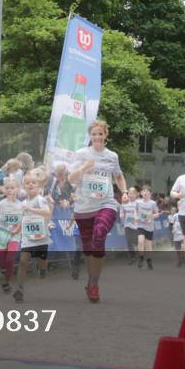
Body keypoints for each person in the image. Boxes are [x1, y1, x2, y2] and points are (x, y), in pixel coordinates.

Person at [68, 120, 127, 303]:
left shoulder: (112, 156)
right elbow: (71, 178)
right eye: (94, 134)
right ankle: (90, 279)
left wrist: (124, 192)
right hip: (84, 206)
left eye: (100, 133)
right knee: (88, 247)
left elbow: (118, 176)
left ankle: (94, 283)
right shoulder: (82, 154)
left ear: (105, 135)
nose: (97, 137)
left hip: (106, 202)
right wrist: (85, 167)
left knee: (99, 234)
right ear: (90, 136)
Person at [14, 168, 52, 303]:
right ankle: (19, 289)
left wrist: (30, 209)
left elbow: (47, 212)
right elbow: (21, 219)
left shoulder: (40, 200)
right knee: (23, 261)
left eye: (33, 183)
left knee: (42, 262)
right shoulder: (23, 203)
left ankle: (43, 269)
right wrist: (16, 229)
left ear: (39, 186)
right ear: (24, 186)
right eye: (27, 183)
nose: (30, 185)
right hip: (27, 238)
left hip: (41, 237)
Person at [0, 177, 23, 294]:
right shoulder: (0, 204)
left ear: (18, 189)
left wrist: (18, 228)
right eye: (7, 188)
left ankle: (6, 282)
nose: (10, 190)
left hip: (15, 235)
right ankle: (5, 272)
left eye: (12, 188)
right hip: (2, 233)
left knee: (10, 259)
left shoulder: (21, 205)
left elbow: (23, 220)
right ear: (4, 190)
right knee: (2, 261)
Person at [136, 186, 160, 270]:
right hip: (141, 225)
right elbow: (135, 211)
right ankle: (141, 258)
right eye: (143, 191)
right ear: (141, 193)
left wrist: (151, 215)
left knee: (148, 246)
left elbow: (157, 213)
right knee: (140, 241)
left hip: (149, 226)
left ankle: (149, 260)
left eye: (147, 191)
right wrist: (136, 217)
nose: (145, 193)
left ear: (150, 194)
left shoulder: (152, 203)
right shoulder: (138, 202)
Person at [121, 189, 139, 264]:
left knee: (136, 241)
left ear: (136, 195)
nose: (131, 195)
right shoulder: (124, 204)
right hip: (127, 225)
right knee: (129, 241)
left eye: (133, 193)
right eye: (130, 193)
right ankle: (132, 258)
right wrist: (122, 216)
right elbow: (122, 214)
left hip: (137, 226)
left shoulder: (139, 203)